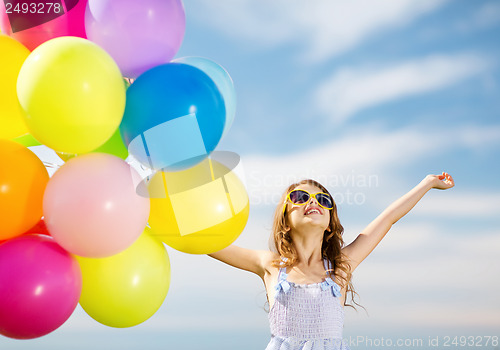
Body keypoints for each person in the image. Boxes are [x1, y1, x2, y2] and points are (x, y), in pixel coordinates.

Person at [209, 172, 455, 349]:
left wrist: (428, 183)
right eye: (300, 196)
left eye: (323, 200)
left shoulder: (341, 266)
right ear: (284, 219)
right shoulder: (271, 265)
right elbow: (208, 244)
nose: (313, 201)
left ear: (329, 225)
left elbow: (389, 217)